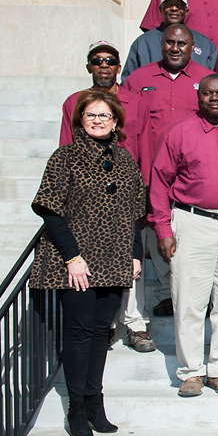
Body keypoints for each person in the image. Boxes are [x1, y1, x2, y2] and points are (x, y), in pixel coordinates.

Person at [30, 90, 146, 436]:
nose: (98, 120)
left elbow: (135, 214)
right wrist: (72, 257)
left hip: (114, 260)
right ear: (80, 120)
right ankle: (76, 407)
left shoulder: (126, 162)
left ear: (116, 122)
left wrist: (136, 254)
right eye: (91, 115)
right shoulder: (64, 157)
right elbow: (51, 210)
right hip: (76, 263)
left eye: (104, 115)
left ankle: (96, 404)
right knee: (79, 334)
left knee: (100, 334)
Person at [149, 74, 218, 398]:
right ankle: (192, 372)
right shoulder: (179, 133)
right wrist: (163, 229)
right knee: (189, 301)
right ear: (199, 97)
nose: (214, 99)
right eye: (208, 93)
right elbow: (158, 183)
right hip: (191, 222)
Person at [124, 24, 218, 319]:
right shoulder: (139, 78)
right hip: (151, 168)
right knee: (157, 230)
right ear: (161, 44)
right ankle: (166, 293)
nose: (176, 48)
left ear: (192, 47)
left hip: (195, 171)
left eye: (182, 44)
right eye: (170, 43)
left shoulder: (207, 80)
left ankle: (202, 292)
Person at [59, 41, 154, 353]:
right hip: (89, 198)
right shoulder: (74, 101)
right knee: (95, 258)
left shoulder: (136, 102)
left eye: (110, 61)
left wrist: (145, 193)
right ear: (89, 66)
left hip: (126, 195)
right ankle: (106, 324)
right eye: (97, 61)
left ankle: (135, 322)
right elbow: (65, 149)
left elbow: (145, 147)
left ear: (118, 66)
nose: (104, 66)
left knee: (133, 261)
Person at [122, 0, 217, 80]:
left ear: (186, 11)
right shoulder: (142, 43)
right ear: (161, 9)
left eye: (179, 6)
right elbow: (129, 82)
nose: (174, 9)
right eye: (168, 5)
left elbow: (213, 81)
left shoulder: (204, 44)